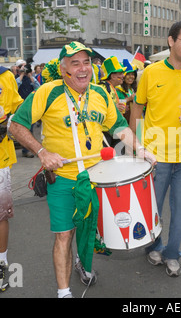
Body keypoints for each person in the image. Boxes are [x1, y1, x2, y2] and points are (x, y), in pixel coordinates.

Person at [9, 41, 156, 298]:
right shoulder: (47, 92)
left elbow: (119, 128)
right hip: (63, 179)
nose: (82, 68)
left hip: (96, 177)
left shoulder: (100, 94)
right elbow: (16, 125)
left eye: (86, 62)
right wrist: (42, 152)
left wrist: (140, 149)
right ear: (63, 68)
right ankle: (63, 292)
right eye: (75, 63)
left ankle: (82, 264)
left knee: (89, 229)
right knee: (64, 235)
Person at [130, 21, 181, 277]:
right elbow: (138, 108)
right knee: (153, 209)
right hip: (155, 157)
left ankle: (172, 253)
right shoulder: (150, 73)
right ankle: (154, 246)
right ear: (171, 41)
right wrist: (136, 145)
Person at [0, 66, 24, 292]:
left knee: (0, 215)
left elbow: (18, 107)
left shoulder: (5, 76)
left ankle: (2, 261)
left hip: (0, 158)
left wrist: (8, 123)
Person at [99, 56, 127, 149]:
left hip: (113, 132)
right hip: (105, 134)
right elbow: (98, 107)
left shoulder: (112, 88)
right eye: (120, 73)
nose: (123, 76)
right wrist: (114, 107)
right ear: (112, 75)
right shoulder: (103, 88)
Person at [15, 59, 40, 158]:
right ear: (17, 68)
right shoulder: (15, 78)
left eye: (25, 66)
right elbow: (15, 87)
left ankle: (31, 149)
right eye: (22, 66)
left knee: (30, 129)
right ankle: (26, 150)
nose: (24, 68)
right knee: (24, 129)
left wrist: (30, 76)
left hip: (30, 106)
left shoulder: (31, 78)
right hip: (20, 107)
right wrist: (21, 74)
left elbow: (38, 88)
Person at [116, 59, 138, 124]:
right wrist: (129, 98)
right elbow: (116, 104)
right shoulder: (118, 89)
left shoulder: (133, 89)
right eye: (128, 74)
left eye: (133, 74)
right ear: (123, 76)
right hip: (124, 121)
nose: (131, 77)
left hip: (136, 119)